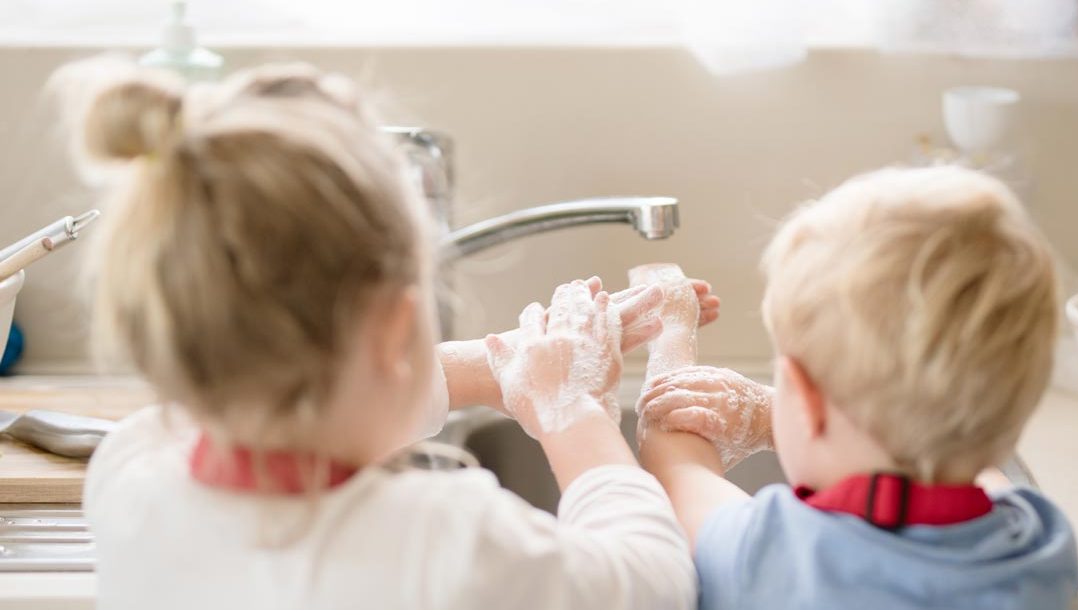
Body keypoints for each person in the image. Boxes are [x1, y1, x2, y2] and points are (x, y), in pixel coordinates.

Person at [56, 57, 718, 610]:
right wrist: (572, 412)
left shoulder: (130, 476)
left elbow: (282, 398)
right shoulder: (446, 543)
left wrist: (494, 368)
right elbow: (652, 581)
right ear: (398, 322)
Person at [637, 166, 1078, 609]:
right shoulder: (1040, 544)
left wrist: (672, 328)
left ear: (806, 400)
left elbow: (679, 473)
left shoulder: (774, 556)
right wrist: (776, 416)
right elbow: (966, 453)